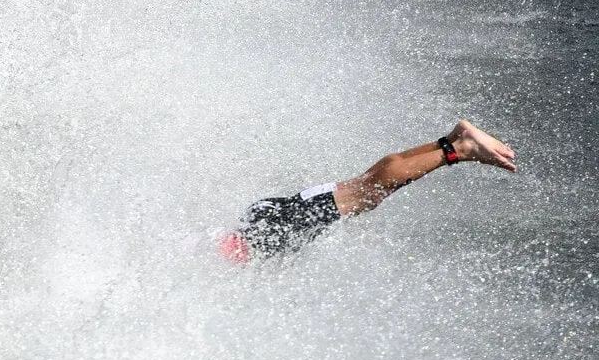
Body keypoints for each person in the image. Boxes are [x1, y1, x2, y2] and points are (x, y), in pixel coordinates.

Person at [218, 120, 518, 263]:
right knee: (368, 188)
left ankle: (459, 149)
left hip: (269, 231)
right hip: (266, 220)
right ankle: (451, 140)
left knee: (367, 190)